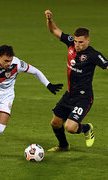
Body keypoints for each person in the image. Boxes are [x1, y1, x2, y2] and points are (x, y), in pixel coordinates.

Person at [44, 10, 108, 152]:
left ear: (88, 40)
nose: (77, 45)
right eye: (76, 41)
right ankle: (63, 146)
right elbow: (54, 30)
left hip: (83, 98)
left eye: (81, 42)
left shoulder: (93, 55)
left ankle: (87, 128)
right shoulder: (71, 43)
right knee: (55, 122)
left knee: (70, 127)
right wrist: (49, 19)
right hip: (69, 94)